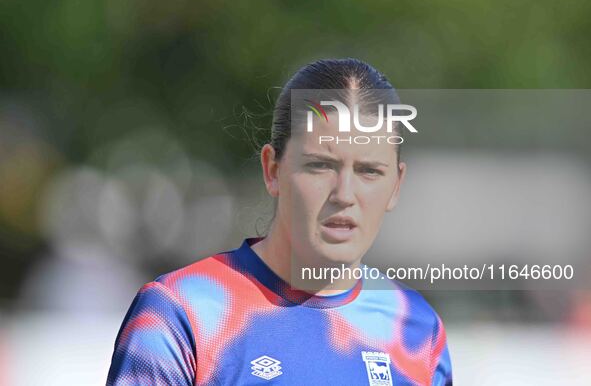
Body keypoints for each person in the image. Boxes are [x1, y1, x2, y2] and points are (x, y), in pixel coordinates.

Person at [106, 58, 453, 385]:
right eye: (321, 165)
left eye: (369, 171)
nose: (344, 194)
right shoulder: (182, 313)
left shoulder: (418, 331)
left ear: (395, 185)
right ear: (273, 170)